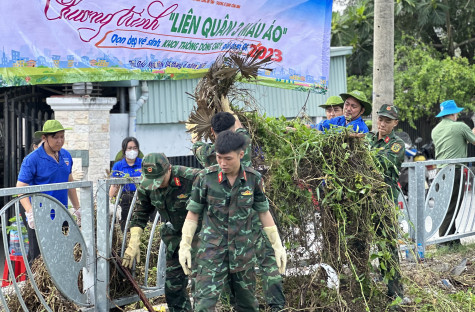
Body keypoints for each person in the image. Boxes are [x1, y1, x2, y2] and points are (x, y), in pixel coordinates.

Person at [179, 130, 286, 312]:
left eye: (228, 158)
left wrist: (277, 245)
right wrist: (185, 245)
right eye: (219, 158)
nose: (222, 163)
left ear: (241, 154)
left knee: (247, 305)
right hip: (211, 252)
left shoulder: (253, 179)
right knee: (203, 305)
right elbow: (193, 214)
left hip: (242, 252)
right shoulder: (205, 178)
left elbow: (263, 213)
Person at [122, 153, 201, 312]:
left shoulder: (192, 178)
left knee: (204, 289)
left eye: (159, 180)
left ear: (169, 169)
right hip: (176, 240)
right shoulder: (147, 184)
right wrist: (134, 241)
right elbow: (141, 212)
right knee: (173, 288)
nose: (156, 185)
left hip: (202, 238)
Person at [16, 120, 80, 263]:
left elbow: (70, 182)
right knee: (39, 257)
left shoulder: (66, 156)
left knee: (63, 251)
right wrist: (30, 212)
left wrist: (77, 208)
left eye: (62, 136)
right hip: (41, 215)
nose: (60, 141)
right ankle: (34, 285)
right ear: (45, 138)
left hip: (61, 214)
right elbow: (20, 187)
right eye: (55, 137)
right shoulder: (32, 159)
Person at [366, 104, 405, 300]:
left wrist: (363, 159)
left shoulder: (397, 144)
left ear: (395, 123)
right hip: (365, 200)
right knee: (360, 244)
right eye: (380, 119)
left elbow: (384, 162)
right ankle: (364, 289)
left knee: (386, 247)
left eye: (387, 121)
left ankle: (395, 293)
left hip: (384, 201)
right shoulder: (368, 138)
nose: (382, 123)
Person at [431, 100, 475, 246]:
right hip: (454, 171)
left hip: (440, 171)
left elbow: (456, 142)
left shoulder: (436, 129)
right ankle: (444, 242)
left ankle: (453, 240)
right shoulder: (460, 126)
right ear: (454, 113)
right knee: (452, 207)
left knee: (446, 205)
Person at [109, 137, 142, 232]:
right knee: (125, 226)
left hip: (141, 198)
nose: (132, 150)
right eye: (130, 148)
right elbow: (114, 185)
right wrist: (110, 200)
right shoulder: (118, 165)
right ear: (124, 150)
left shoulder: (142, 163)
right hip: (124, 199)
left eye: (135, 148)